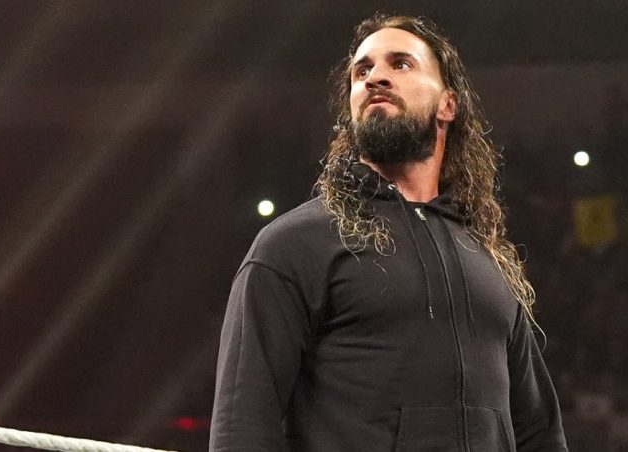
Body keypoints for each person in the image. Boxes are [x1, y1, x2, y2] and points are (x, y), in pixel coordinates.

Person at [210, 13, 567, 451]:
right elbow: (242, 423)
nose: (375, 78)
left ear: (448, 104)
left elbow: (538, 431)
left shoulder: (487, 256)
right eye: (362, 71)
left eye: (400, 64)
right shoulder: (295, 244)